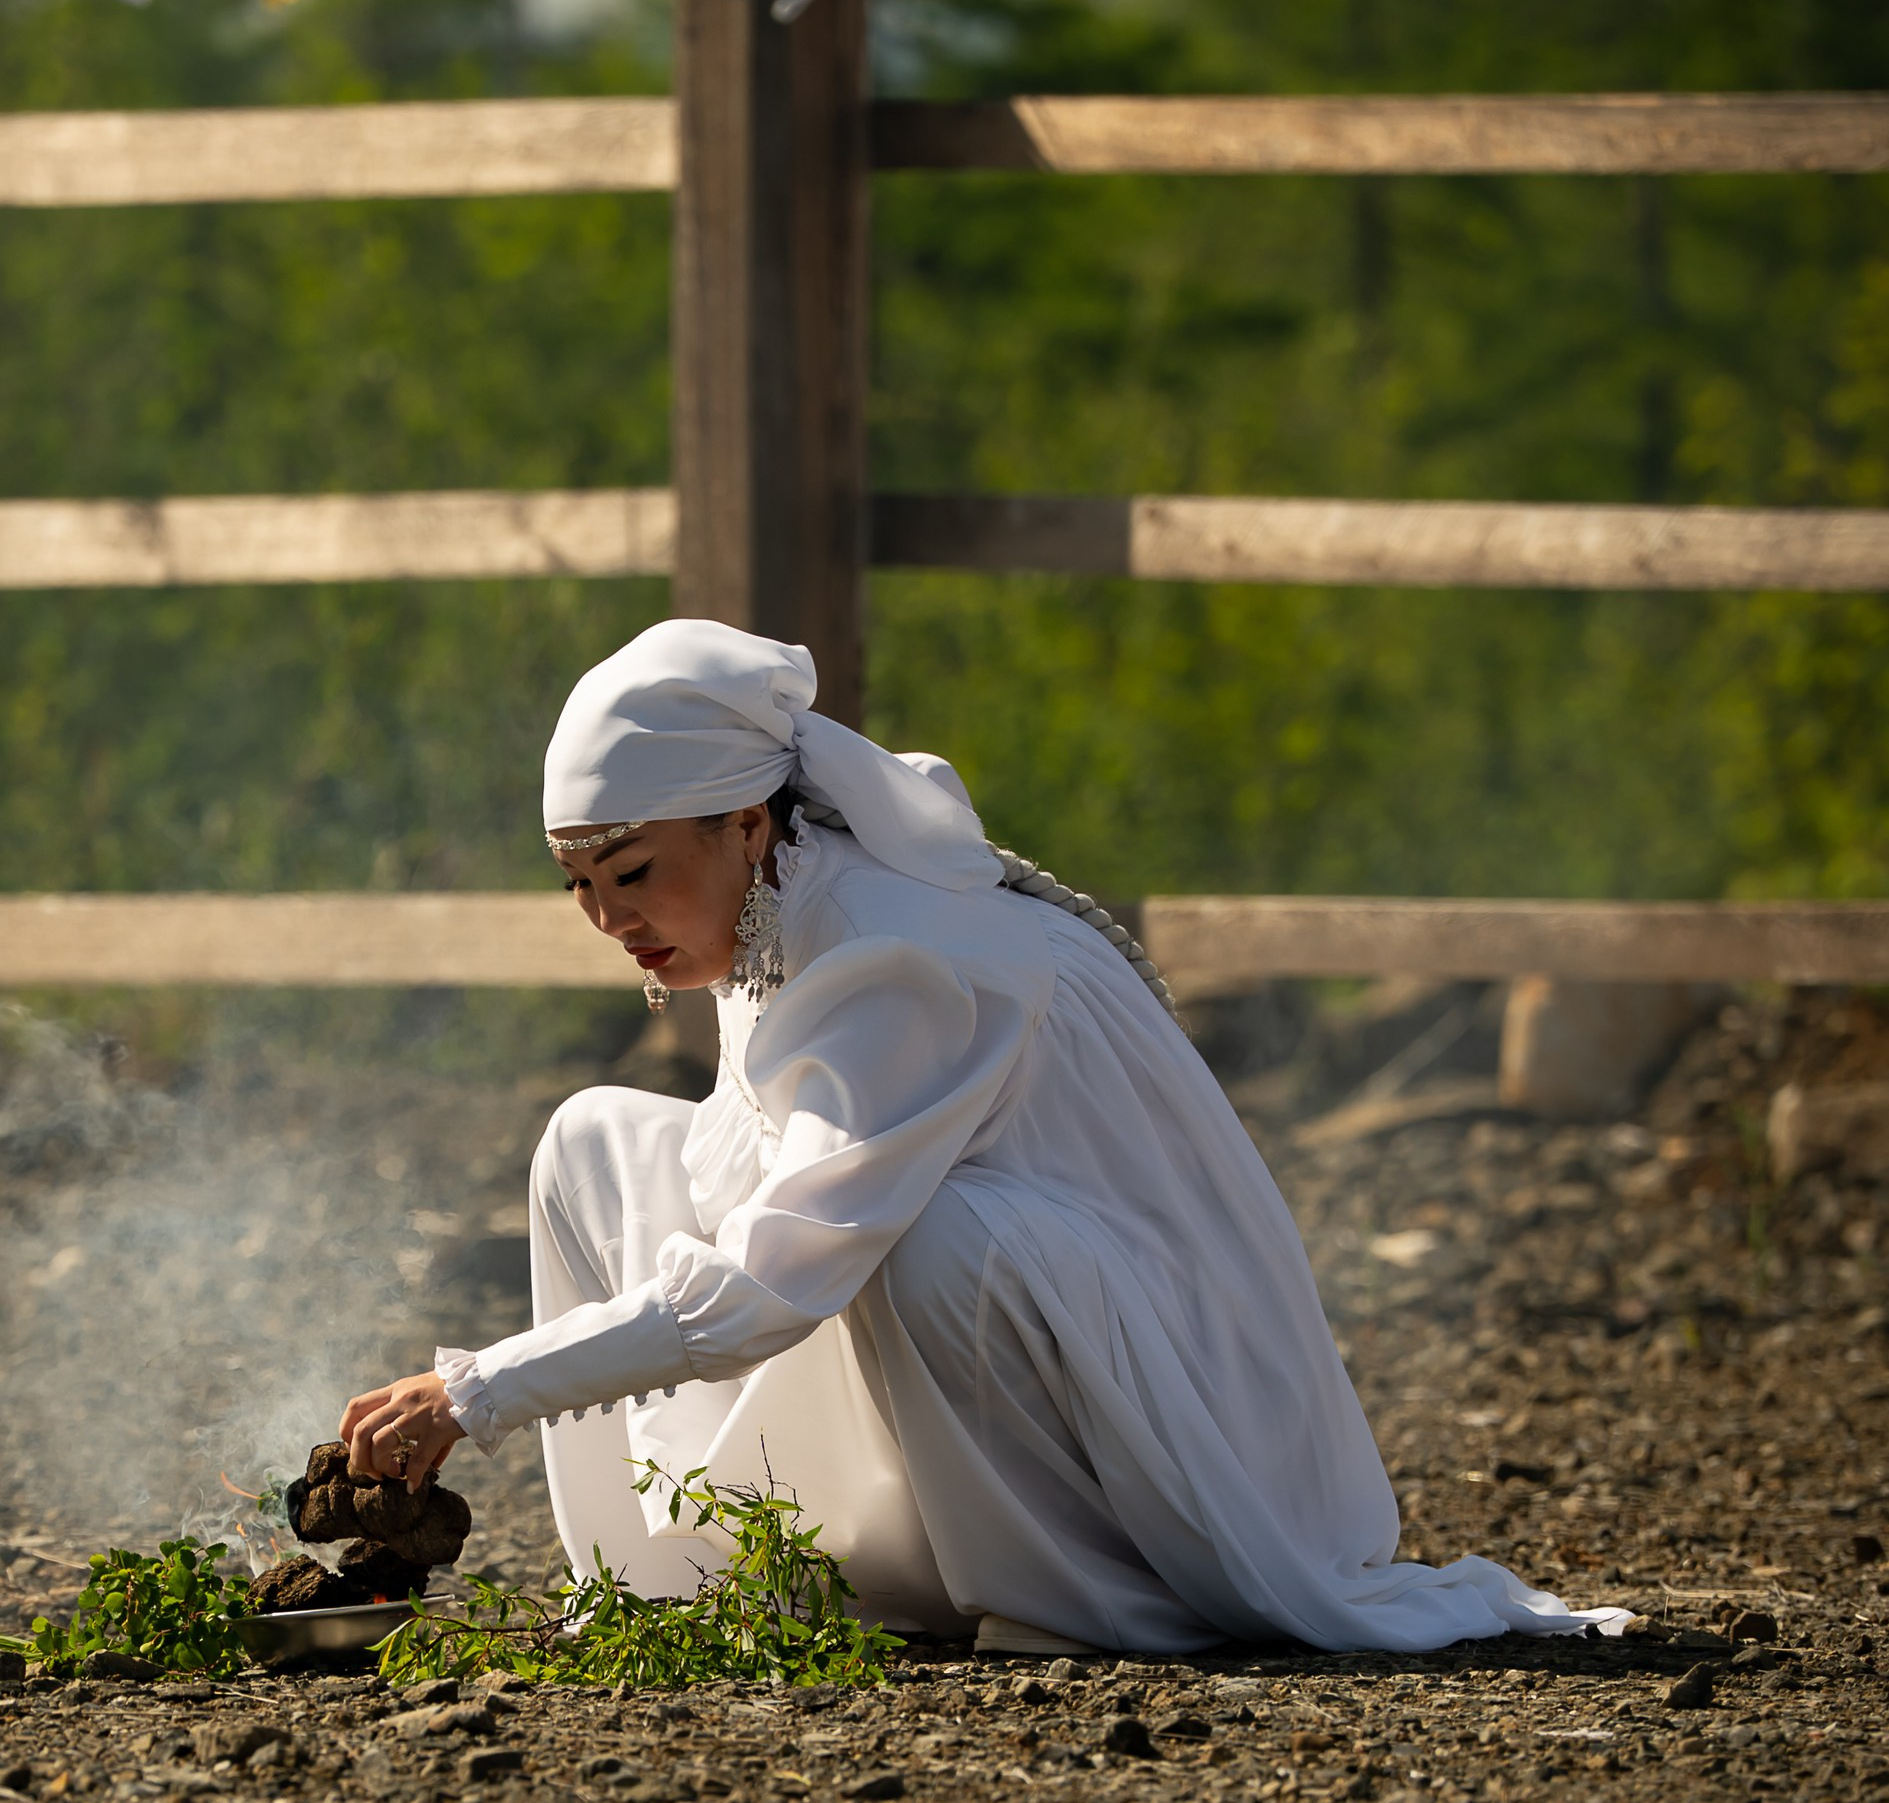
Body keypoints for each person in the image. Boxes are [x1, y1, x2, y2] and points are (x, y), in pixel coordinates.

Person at [339, 619, 1625, 1657]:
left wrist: (481, 1388)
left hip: (1181, 1382)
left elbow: (773, 1276)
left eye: (633, 874)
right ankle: (656, 1583)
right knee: (589, 1138)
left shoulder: (892, 950)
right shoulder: (771, 907)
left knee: (928, 1231)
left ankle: (1077, 1598)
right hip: (1013, 1319)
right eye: (579, 884)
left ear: (746, 823)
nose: (610, 918)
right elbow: (761, 1194)